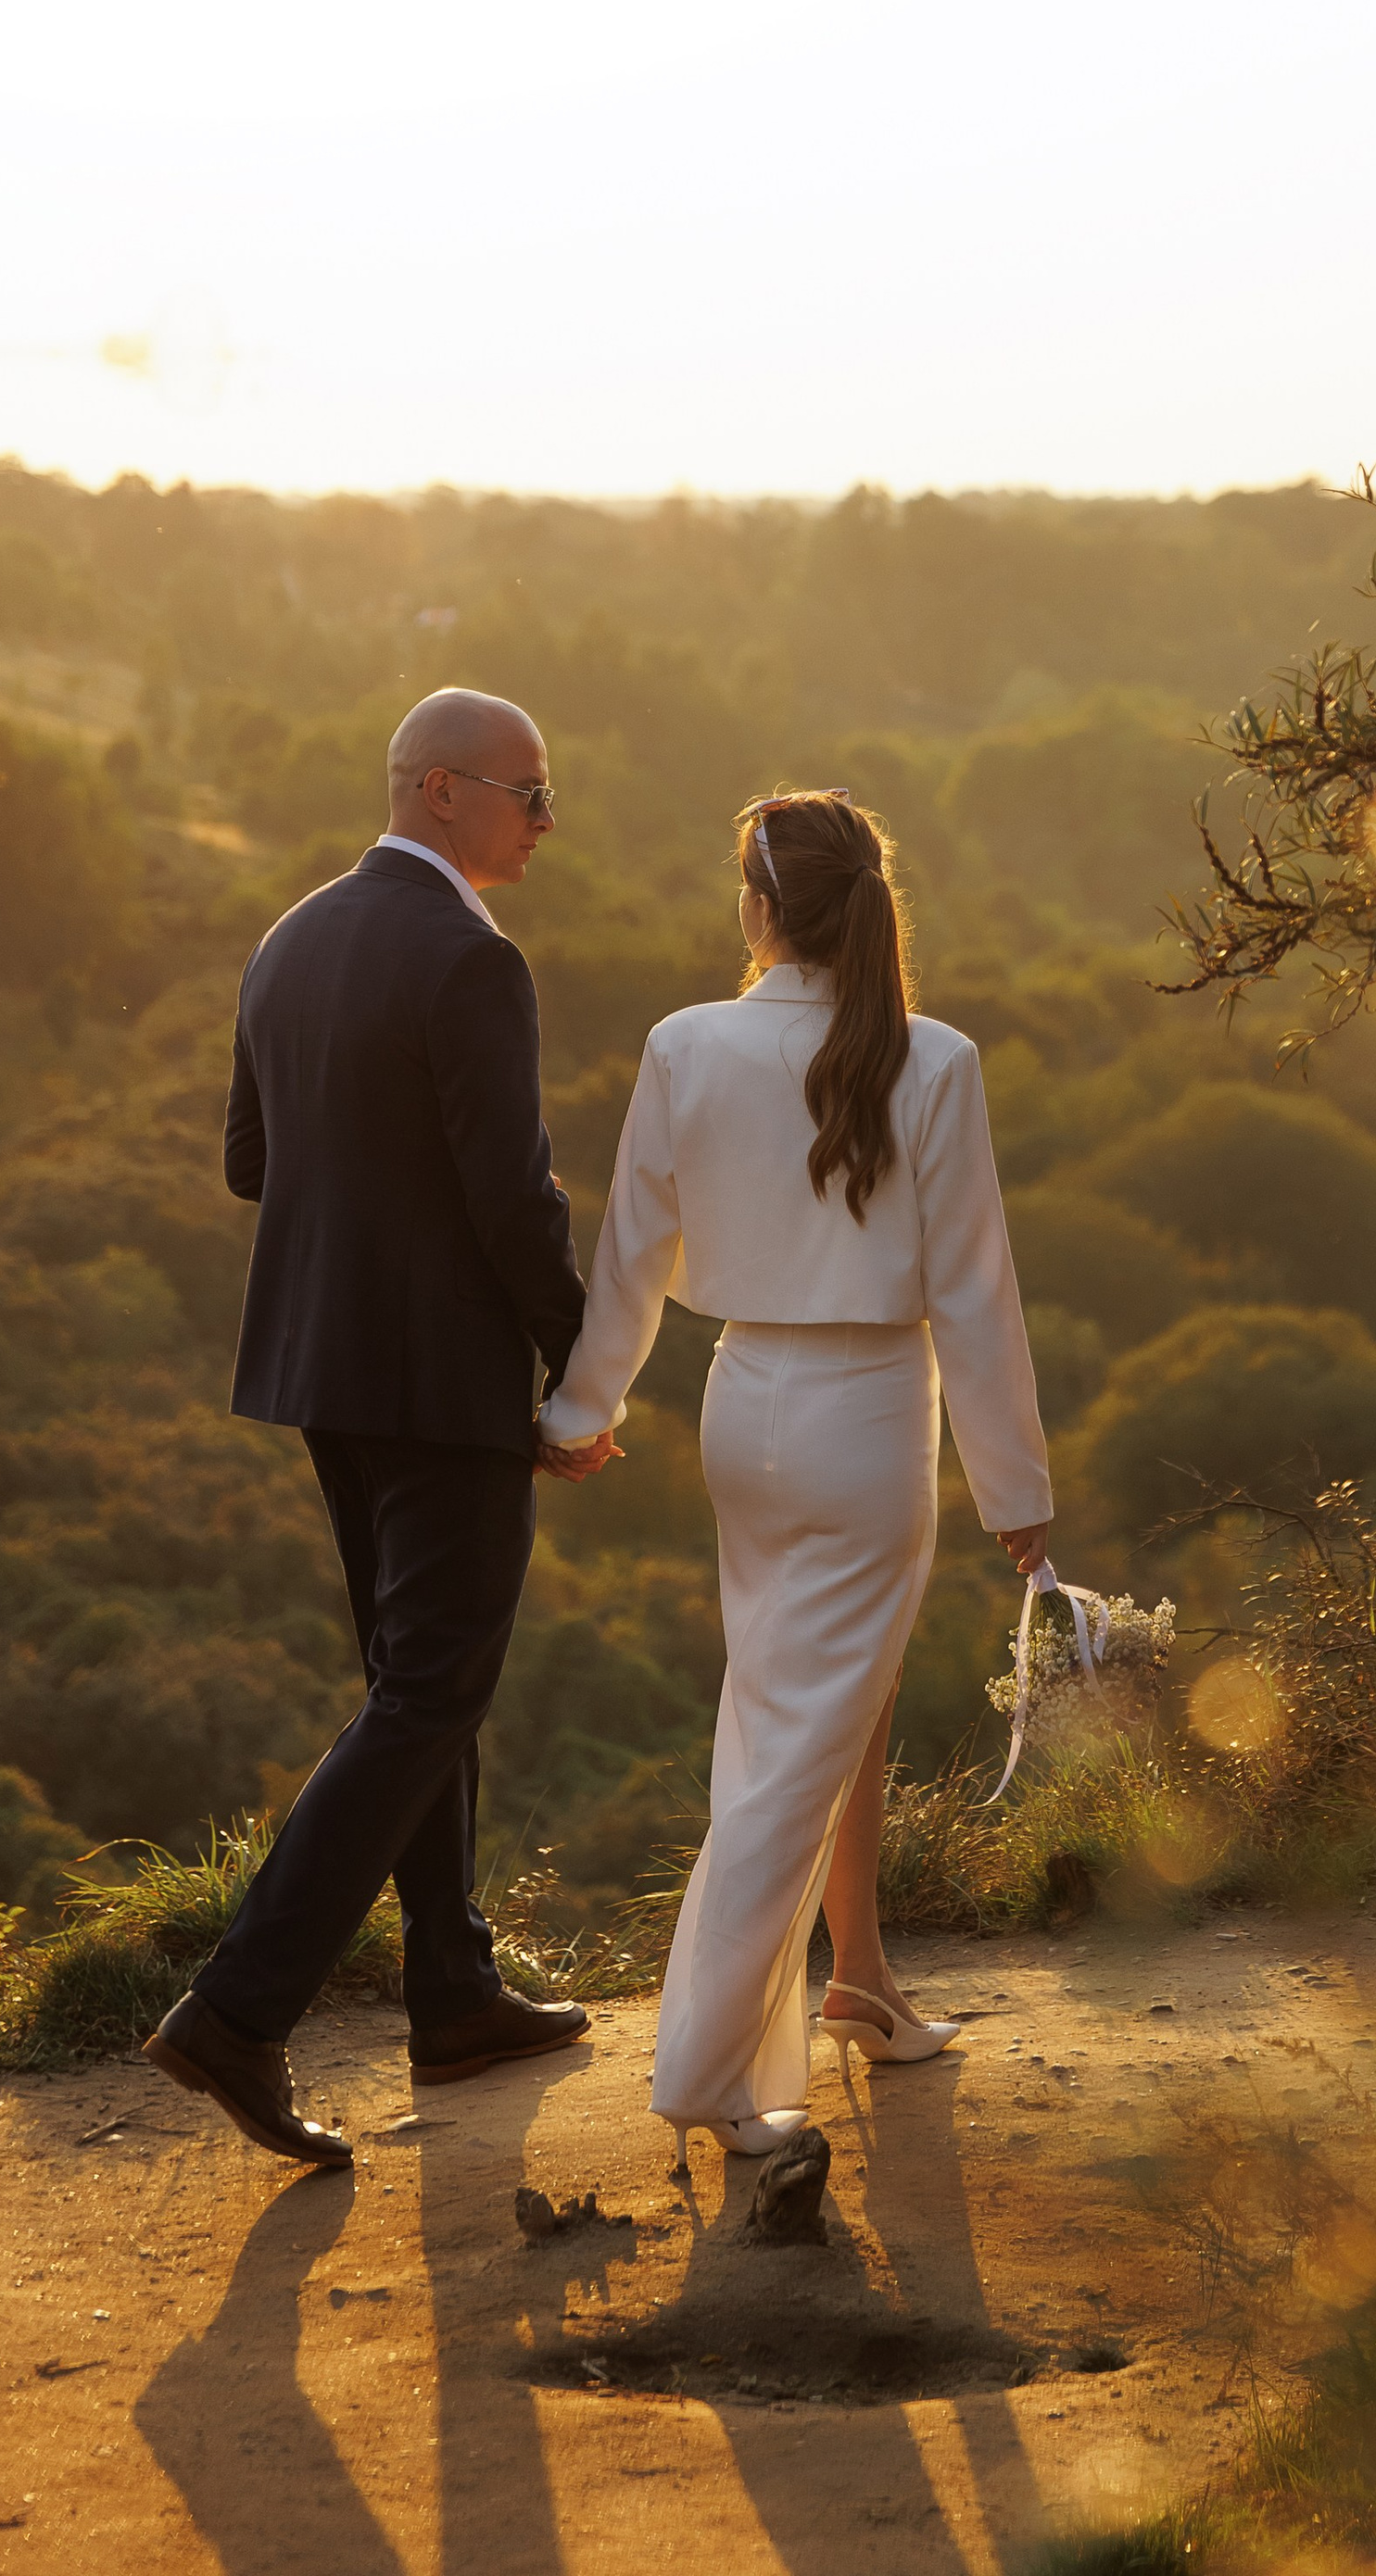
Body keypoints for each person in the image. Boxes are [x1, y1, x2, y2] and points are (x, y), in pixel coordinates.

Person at [538, 788, 1052, 2156]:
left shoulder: (683, 1044)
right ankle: (709, 2070)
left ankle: (863, 1986)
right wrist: (1018, 1495)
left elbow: (634, 1249)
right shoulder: (931, 1058)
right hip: (873, 1414)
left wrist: (579, 1406)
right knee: (797, 1752)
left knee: (790, 1720)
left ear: (762, 908)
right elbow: (979, 1295)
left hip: (741, 1404)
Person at [145, 688, 600, 2168]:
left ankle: (454, 1989)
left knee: (417, 1692)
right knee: (429, 1695)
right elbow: (509, 1195)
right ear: (438, 791)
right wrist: (577, 1364)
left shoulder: (288, 940)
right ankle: (236, 2011)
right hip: (439, 1383)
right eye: (530, 794)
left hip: (322, 1373)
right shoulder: (471, 957)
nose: (546, 820)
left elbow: (246, 1164)